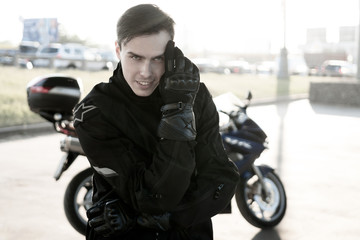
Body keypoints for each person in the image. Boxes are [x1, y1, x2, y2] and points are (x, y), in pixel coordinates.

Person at [73, 4, 239, 240]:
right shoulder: (95, 111)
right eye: (135, 57)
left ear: (172, 54)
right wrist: (178, 112)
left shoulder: (196, 95)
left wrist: (154, 217)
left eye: (157, 59)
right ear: (118, 50)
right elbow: (154, 196)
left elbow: (223, 181)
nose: (146, 72)